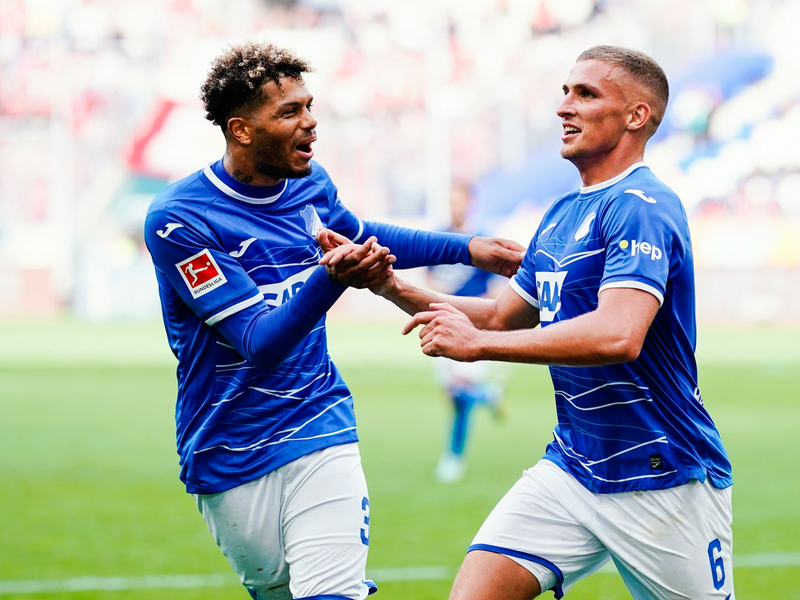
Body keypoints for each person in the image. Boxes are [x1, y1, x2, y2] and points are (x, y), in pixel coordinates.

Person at [143, 42, 525, 600]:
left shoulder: (309, 182)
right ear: (241, 130)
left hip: (318, 422)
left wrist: (469, 248)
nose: (311, 122)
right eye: (290, 112)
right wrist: (331, 278)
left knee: (333, 592)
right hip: (228, 446)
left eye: (310, 105)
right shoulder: (180, 220)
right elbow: (258, 341)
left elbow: (364, 236)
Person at [368, 46, 735, 599]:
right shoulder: (562, 214)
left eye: (586, 94)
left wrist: (481, 348)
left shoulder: (643, 204)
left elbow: (619, 334)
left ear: (636, 116)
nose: (564, 106)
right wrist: (389, 286)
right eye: (564, 92)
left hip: (663, 476)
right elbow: (496, 314)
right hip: (574, 465)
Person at [426, 181, 506, 483]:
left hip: (471, 326)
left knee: (458, 393)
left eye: (457, 200)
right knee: (451, 392)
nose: (452, 206)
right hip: (442, 321)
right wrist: (440, 294)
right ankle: (488, 395)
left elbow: (494, 286)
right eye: (449, 200)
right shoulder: (440, 235)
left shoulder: (482, 240)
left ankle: (453, 458)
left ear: (470, 203)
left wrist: (476, 312)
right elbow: (430, 273)